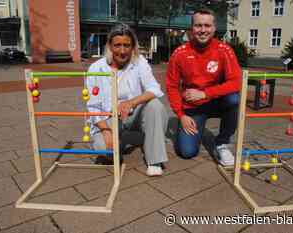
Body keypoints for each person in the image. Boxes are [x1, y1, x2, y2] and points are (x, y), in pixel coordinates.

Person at [86, 24, 169, 176]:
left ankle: (155, 160)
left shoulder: (139, 62)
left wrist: (131, 102)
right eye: (117, 45)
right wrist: (105, 131)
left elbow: (154, 89)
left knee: (155, 106)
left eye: (127, 45)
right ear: (109, 46)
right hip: (109, 118)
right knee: (103, 149)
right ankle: (119, 141)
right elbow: (93, 106)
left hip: (133, 114)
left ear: (133, 47)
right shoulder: (95, 68)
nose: (122, 51)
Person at [166, 9, 241, 166]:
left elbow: (236, 82)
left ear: (214, 28)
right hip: (193, 107)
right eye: (198, 25)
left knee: (234, 98)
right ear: (191, 28)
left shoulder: (224, 50)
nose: (203, 30)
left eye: (207, 25)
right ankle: (197, 128)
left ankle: (222, 142)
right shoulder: (180, 53)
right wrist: (181, 115)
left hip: (216, 102)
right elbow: (172, 86)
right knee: (187, 152)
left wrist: (205, 94)